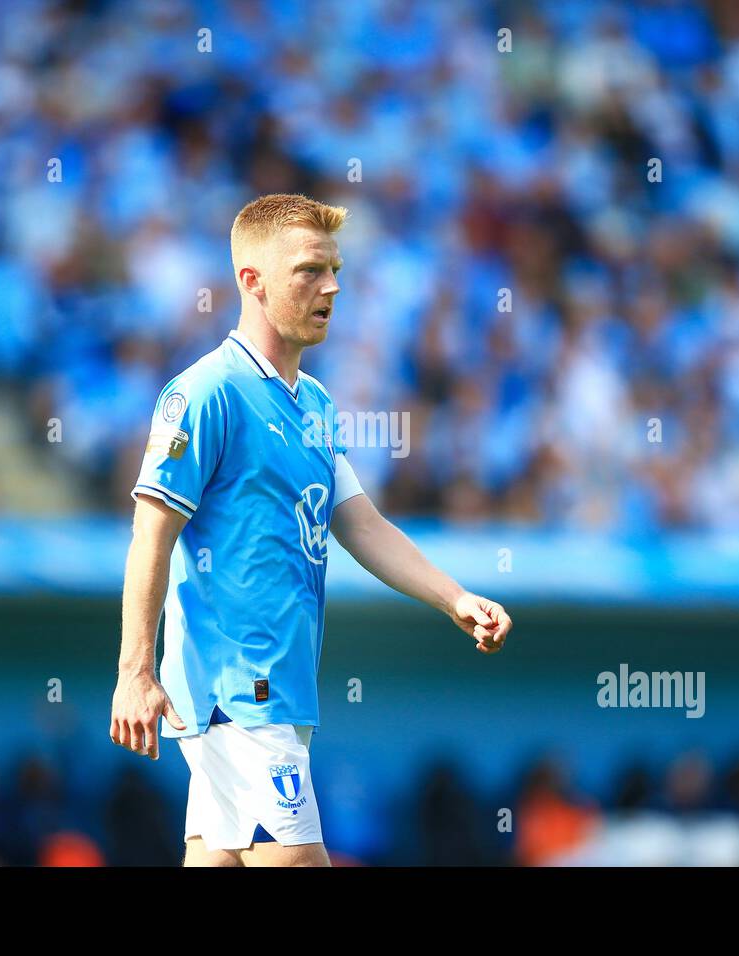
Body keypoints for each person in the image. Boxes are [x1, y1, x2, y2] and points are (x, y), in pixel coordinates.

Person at [108, 194, 513, 867]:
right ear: (252, 281)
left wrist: (455, 598)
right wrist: (133, 670)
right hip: (237, 686)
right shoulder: (208, 393)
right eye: (307, 271)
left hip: (277, 688)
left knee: (217, 860)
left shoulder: (316, 403)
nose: (330, 286)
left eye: (334, 270)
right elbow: (150, 533)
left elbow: (361, 522)